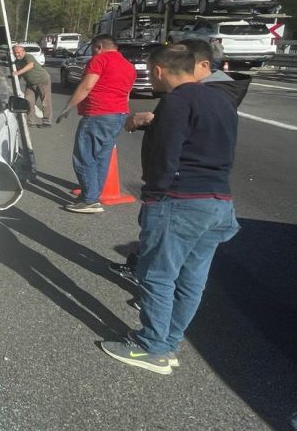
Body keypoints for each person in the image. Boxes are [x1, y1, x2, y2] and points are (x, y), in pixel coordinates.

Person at [99, 45, 240, 375]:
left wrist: (153, 196)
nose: (150, 77)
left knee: (157, 275)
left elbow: (166, 155)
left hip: (181, 201)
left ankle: (153, 347)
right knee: (192, 279)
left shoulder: (176, 101)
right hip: (219, 201)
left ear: (159, 71)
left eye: (150, 72)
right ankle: (169, 341)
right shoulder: (221, 99)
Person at [55, 34, 135, 213]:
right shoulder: (129, 66)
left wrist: (67, 108)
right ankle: (92, 195)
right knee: (101, 157)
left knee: (84, 157)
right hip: (118, 114)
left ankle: (90, 199)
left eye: (92, 49)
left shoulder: (99, 60)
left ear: (98, 47)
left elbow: (87, 86)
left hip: (98, 114)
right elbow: (127, 93)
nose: (92, 52)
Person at [11, 44, 52, 127]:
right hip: (30, 84)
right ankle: (31, 122)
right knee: (28, 101)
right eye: (15, 53)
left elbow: (31, 65)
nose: (17, 54)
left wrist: (18, 72)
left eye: (18, 52)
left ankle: (47, 121)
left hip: (42, 81)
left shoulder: (28, 56)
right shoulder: (17, 61)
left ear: (23, 51)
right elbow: (18, 75)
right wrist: (15, 84)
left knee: (45, 101)